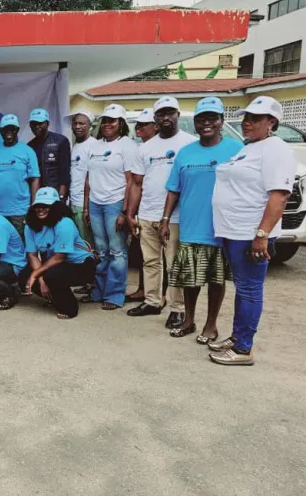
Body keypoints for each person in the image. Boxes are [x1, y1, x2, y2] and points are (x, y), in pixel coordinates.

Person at [209, 96, 297, 366]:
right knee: (243, 288)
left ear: (272, 122)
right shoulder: (251, 148)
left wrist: (261, 235)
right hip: (234, 231)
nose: (247, 123)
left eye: (255, 119)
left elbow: (279, 196)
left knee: (250, 290)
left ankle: (244, 348)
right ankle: (237, 338)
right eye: (246, 117)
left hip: (250, 234)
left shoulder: (276, 149)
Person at [161, 97, 243, 343]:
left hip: (222, 227)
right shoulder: (186, 152)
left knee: (216, 279)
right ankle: (189, 320)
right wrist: (165, 219)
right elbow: (174, 189)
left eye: (212, 118)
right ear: (195, 123)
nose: (206, 123)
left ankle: (211, 325)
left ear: (221, 121)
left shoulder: (236, 149)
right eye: (201, 119)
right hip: (191, 225)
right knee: (190, 279)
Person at [126, 97, 193, 328]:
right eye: (161, 114)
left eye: (170, 113)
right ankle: (153, 301)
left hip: (175, 217)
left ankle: (178, 308)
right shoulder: (145, 148)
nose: (166, 117)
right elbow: (136, 184)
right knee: (150, 262)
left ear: (178, 114)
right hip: (147, 214)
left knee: (174, 264)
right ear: (155, 119)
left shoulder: (189, 144)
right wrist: (131, 214)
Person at [82, 103, 138, 310]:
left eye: (112, 121)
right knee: (101, 251)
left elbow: (131, 181)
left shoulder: (127, 145)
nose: (107, 124)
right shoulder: (95, 145)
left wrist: (125, 211)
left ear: (121, 124)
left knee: (117, 251)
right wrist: (87, 207)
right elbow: (88, 178)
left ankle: (114, 295)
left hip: (115, 204)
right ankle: (99, 291)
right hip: (96, 204)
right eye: (105, 121)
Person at [20, 187, 96, 319]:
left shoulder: (64, 223)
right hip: (56, 264)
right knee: (23, 277)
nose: (41, 209)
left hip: (80, 264)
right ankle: (54, 297)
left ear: (55, 207)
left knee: (52, 275)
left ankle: (70, 308)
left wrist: (37, 275)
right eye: (38, 205)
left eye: (46, 205)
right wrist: (41, 280)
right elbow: (32, 255)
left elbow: (59, 257)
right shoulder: (29, 226)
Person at [0, 114, 40, 237]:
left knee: (22, 246)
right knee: (2, 245)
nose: (9, 132)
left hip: (20, 210)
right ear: (0, 131)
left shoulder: (27, 151)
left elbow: (35, 179)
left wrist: (34, 205)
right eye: (5, 129)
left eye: (12, 129)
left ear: (17, 130)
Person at [126, 108, 159, 303]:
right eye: (137, 124)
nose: (138, 128)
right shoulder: (141, 149)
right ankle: (143, 289)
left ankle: (160, 294)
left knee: (161, 258)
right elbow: (134, 183)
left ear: (154, 126)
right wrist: (130, 211)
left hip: (162, 211)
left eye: (143, 124)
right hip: (142, 207)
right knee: (143, 254)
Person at [66, 110, 96, 246]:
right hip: (73, 203)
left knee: (86, 244)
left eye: (82, 123)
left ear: (90, 125)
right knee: (77, 244)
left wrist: (86, 208)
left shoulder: (94, 146)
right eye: (75, 123)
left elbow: (92, 178)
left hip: (84, 205)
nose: (77, 126)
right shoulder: (75, 146)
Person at [28, 108, 71, 197]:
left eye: (40, 123)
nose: (37, 126)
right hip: (38, 194)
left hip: (55, 192)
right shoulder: (29, 146)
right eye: (34, 123)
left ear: (47, 124)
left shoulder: (60, 141)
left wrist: (62, 195)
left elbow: (65, 170)